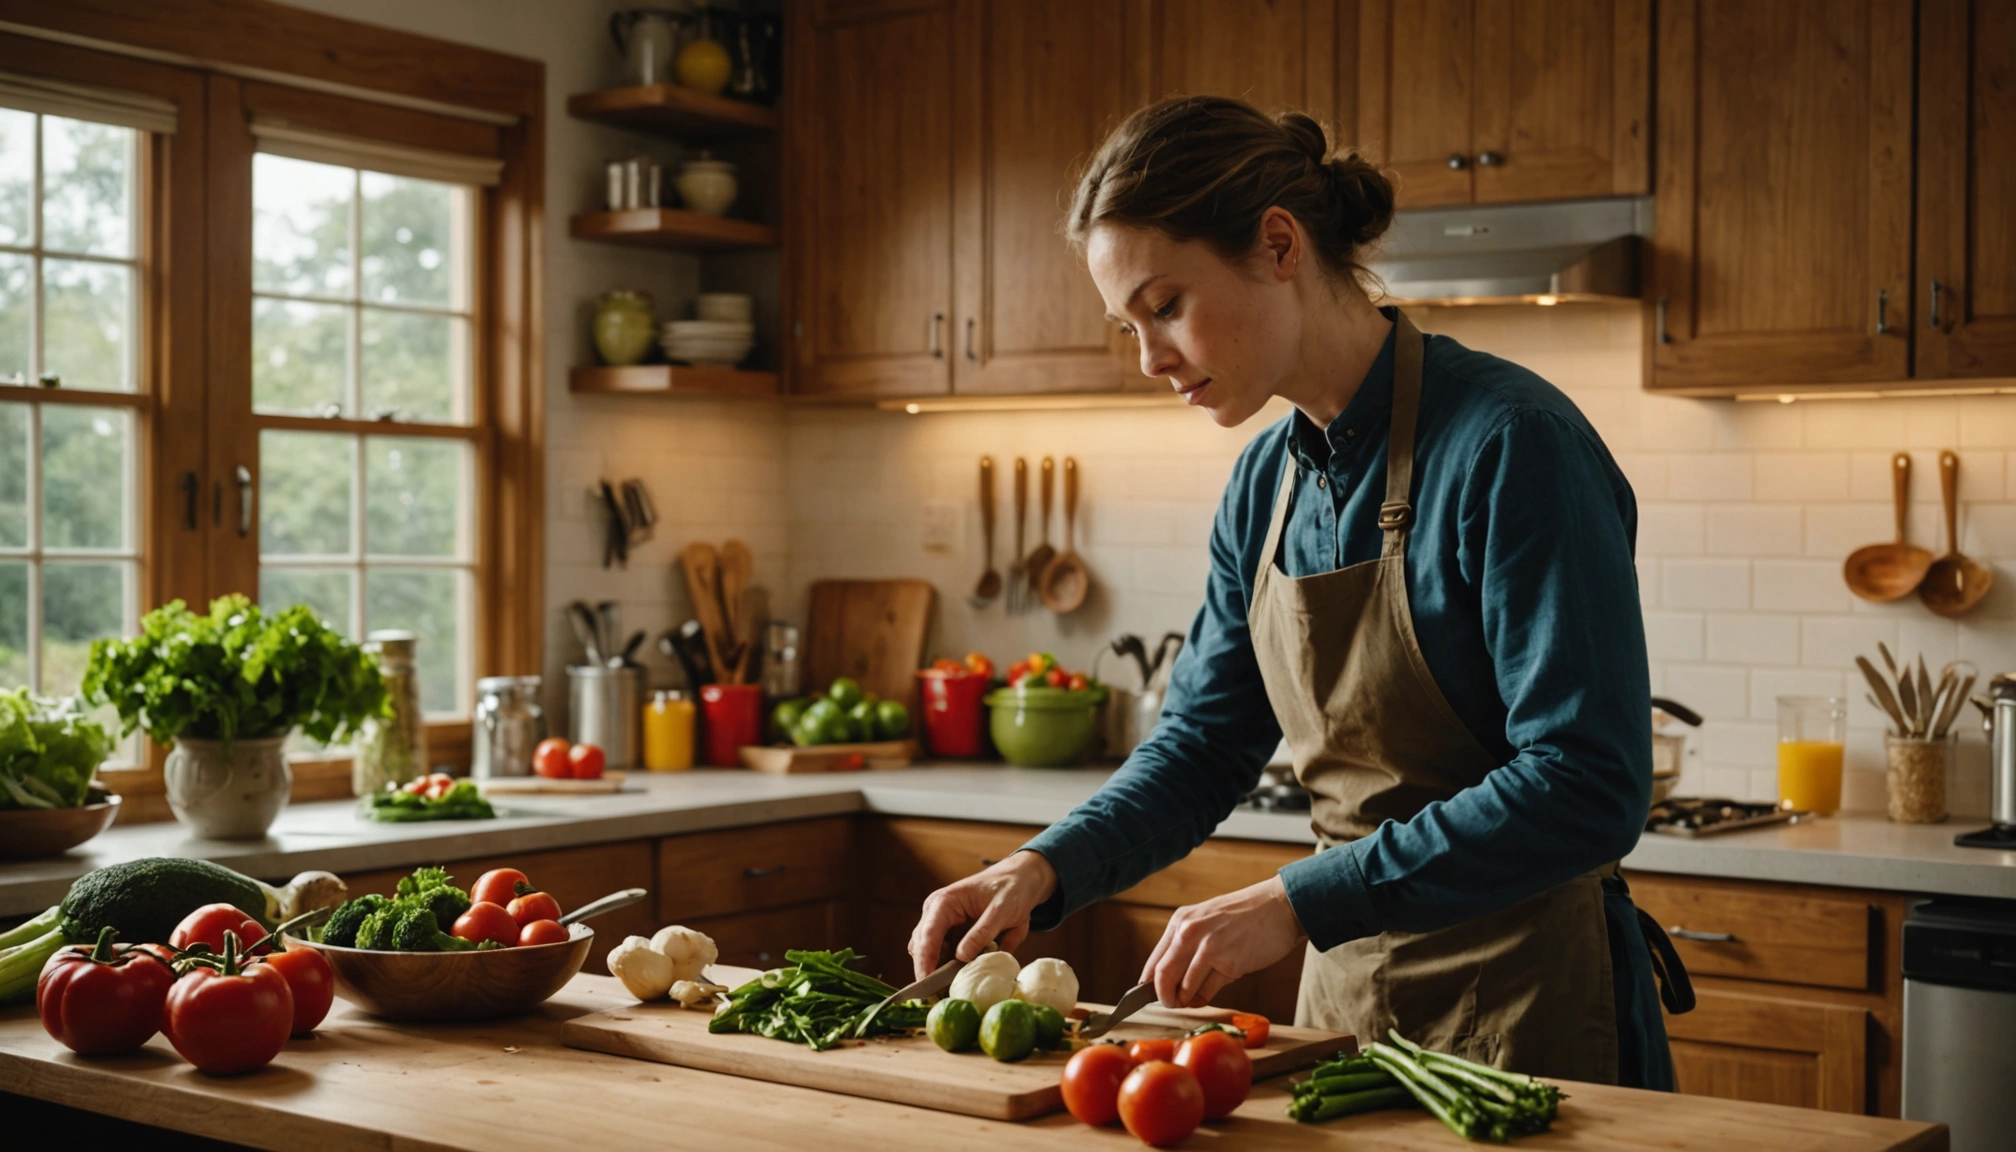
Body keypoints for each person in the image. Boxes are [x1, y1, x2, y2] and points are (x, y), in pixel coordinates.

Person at [906, 94, 1691, 1089]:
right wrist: (1045, 868)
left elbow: (1588, 781)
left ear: (1279, 245)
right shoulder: (1262, 485)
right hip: (1347, 1017)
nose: (1150, 358)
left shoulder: (1512, 444)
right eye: (1127, 325)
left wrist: (1296, 899)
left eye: (1166, 306)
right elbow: (1202, 747)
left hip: (1536, 1023)